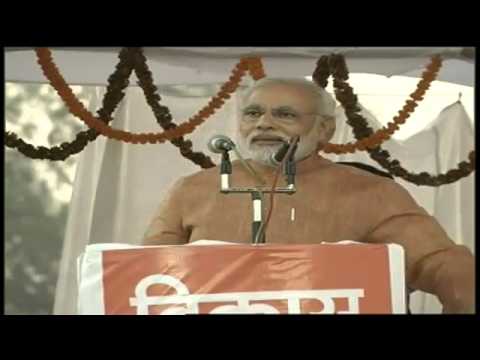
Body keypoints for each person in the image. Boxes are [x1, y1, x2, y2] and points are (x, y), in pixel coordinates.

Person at [142, 78, 475, 314]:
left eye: (285, 115)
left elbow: (441, 264)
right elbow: (145, 274)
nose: (264, 124)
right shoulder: (192, 189)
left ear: (324, 130)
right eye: (253, 113)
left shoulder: (370, 191)